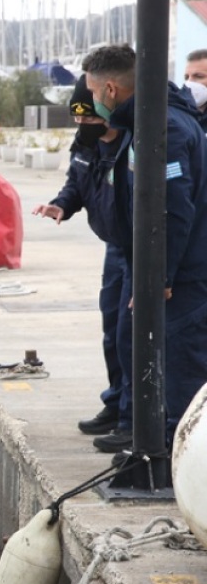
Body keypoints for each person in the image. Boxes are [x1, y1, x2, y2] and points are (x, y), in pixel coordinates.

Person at [83, 44, 207, 453]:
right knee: (147, 351)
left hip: (185, 272)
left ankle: (176, 462)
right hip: (159, 265)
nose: (92, 103)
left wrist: (160, 275)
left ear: (112, 90)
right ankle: (160, 446)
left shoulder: (164, 129)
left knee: (180, 368)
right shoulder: (150, 122)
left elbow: (173, 209)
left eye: (93, 93)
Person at [30, 76, 129, 440]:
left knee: (130, 333)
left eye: (89, 120)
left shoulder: (131, 144)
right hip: (114, 247)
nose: (82, 127)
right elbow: (76, 182)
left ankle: (134, 415)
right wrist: (61, 205)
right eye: (77, 121)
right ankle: (116, 403)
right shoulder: (85, 147)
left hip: (137, 248)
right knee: (112, 329)